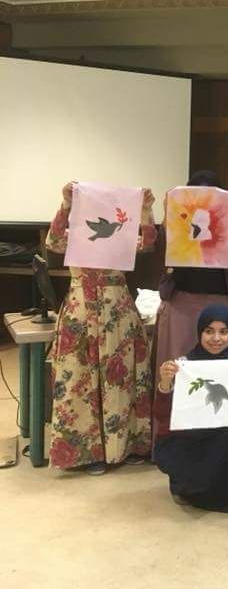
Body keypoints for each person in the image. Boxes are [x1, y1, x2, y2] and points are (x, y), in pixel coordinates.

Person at [45, 182, 156, 474]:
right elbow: (53, 241)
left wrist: (146, 211)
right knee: (80, 377)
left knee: (121, 377)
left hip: (117, 307)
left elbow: (148, 244)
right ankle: (89, 452)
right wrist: (66, 204)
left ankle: (126, 445)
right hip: (81, 308)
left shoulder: (120, 235)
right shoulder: (75, 235)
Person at [153, 170, 228, 442]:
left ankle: (225, 435)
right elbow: (162, 249)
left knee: (226, 367)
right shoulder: (182, 214)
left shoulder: (225, 214)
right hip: (182, 301)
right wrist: (169, 213)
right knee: (177, 366)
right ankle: (173, 436)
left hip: (225, 300)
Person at [154, 304, 228, 514]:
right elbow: (163, 414)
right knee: (184, 436)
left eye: (223, 332)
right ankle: (188, 486)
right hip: (194, 436)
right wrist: (166, 383)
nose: (216, 338)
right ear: (200, 332)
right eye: (209, 331)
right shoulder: (183, 366)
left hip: (225, 432)